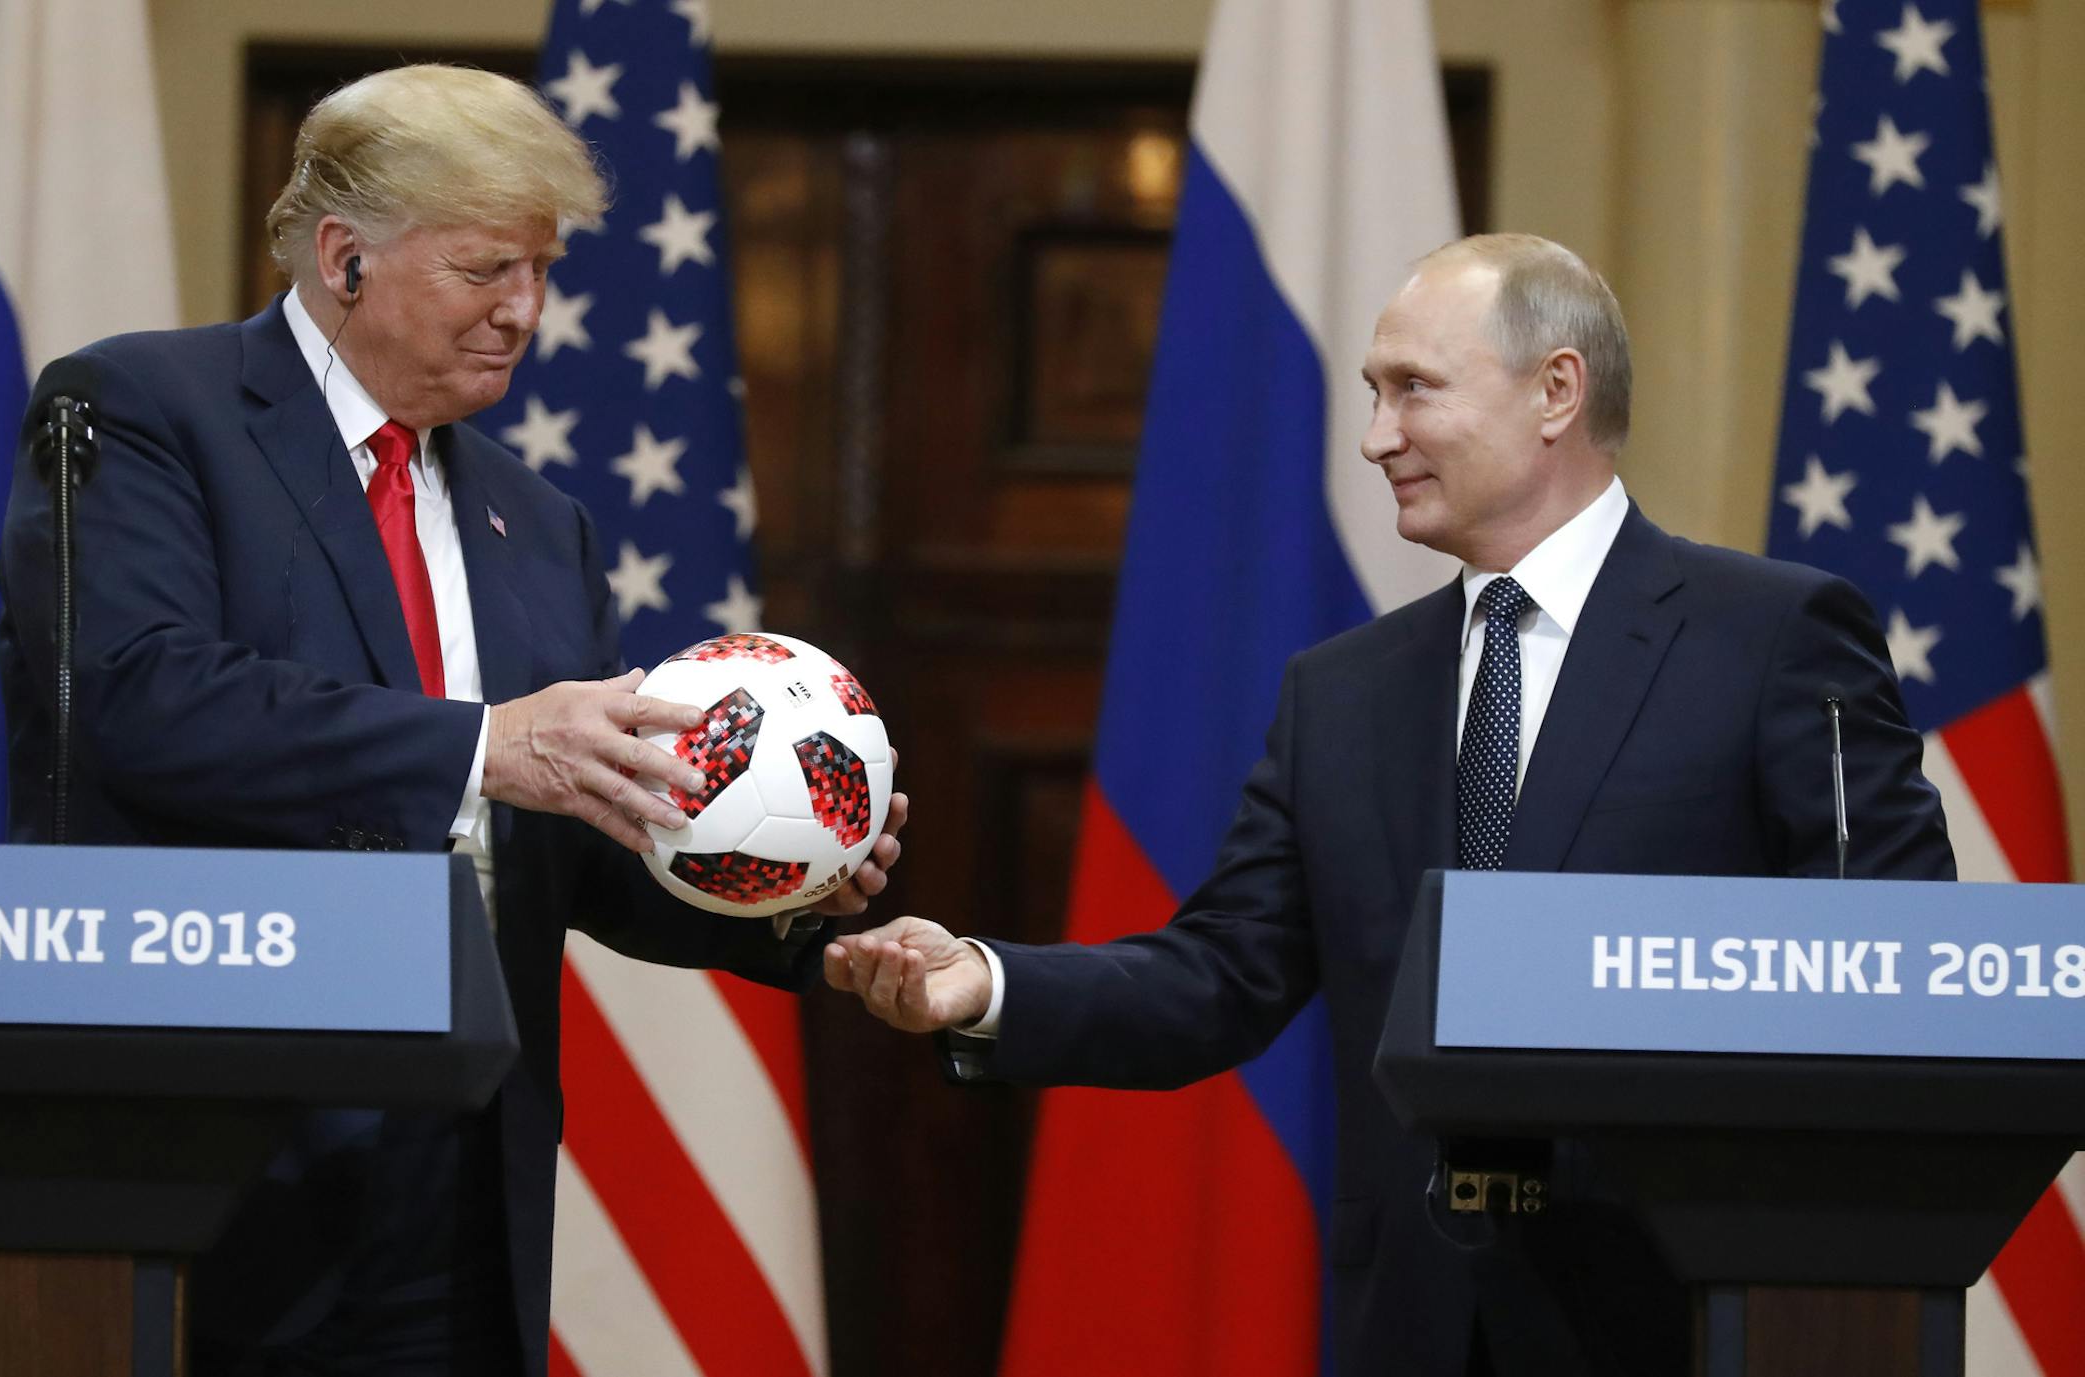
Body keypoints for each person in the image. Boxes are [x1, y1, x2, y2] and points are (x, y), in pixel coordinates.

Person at [823, 233, 1952, 1376]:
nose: (1375, 439)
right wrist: (987, 981)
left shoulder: (1771, 637)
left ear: (1556, 390)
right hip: (1411, 1320)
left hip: (1688, 1318)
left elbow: (1888, 965)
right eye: (1373, 393)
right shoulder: (1343, 693)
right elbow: (1219, 975)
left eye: (1413, 389)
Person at [0, 64, 906, 1377]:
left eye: (540, 271)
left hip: (466, 1168)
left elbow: (585, 843)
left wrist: (797, 891)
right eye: (488, 269)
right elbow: (141, 699)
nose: (525, 312)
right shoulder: (144, 414)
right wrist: (486, 744)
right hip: (216, 1153)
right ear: (343, 257)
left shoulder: (540, 525)